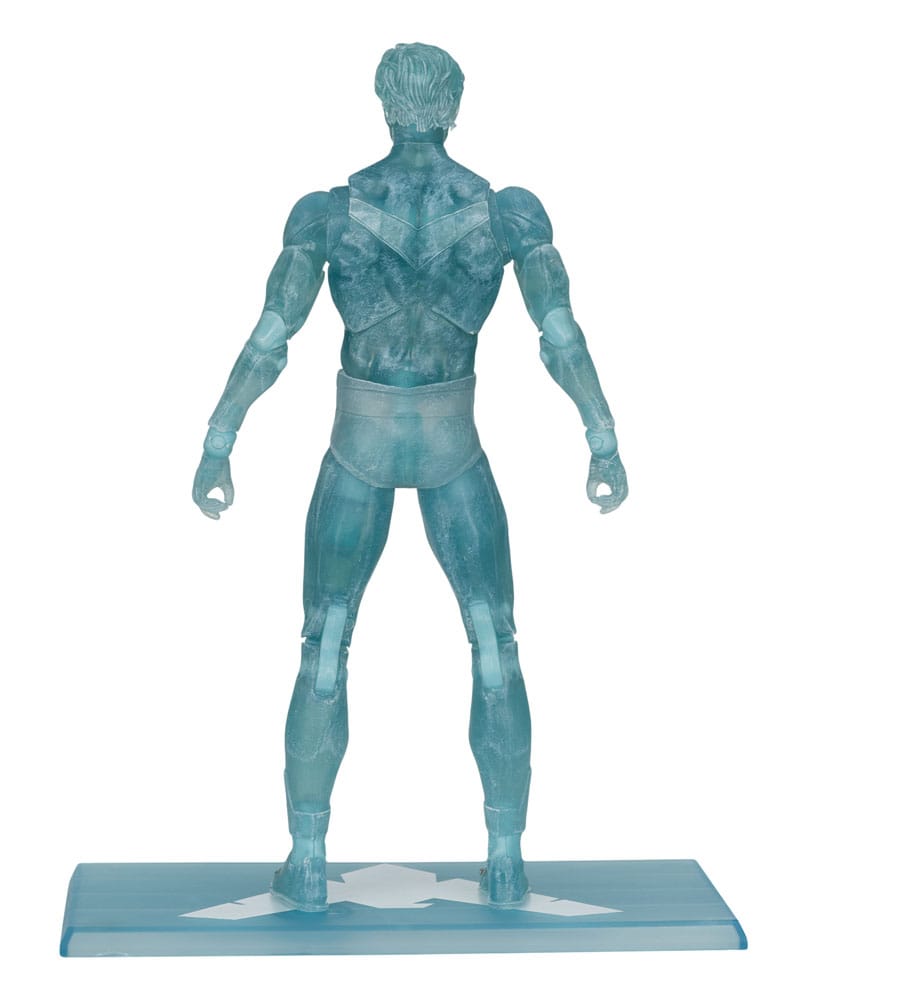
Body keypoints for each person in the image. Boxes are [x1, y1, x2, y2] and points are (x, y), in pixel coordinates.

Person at [192, 42, 628, 912]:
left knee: (325, 646)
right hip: (449, 440)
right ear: (454, 108)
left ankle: (307, 857)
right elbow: (561, 334)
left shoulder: (330, 215)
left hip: (358, 440)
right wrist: (601, 434)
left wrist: (220, 436)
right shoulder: (505, 215)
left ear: (384, 105)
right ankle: (505, 858)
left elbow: (271, 335)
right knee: (494, 644)